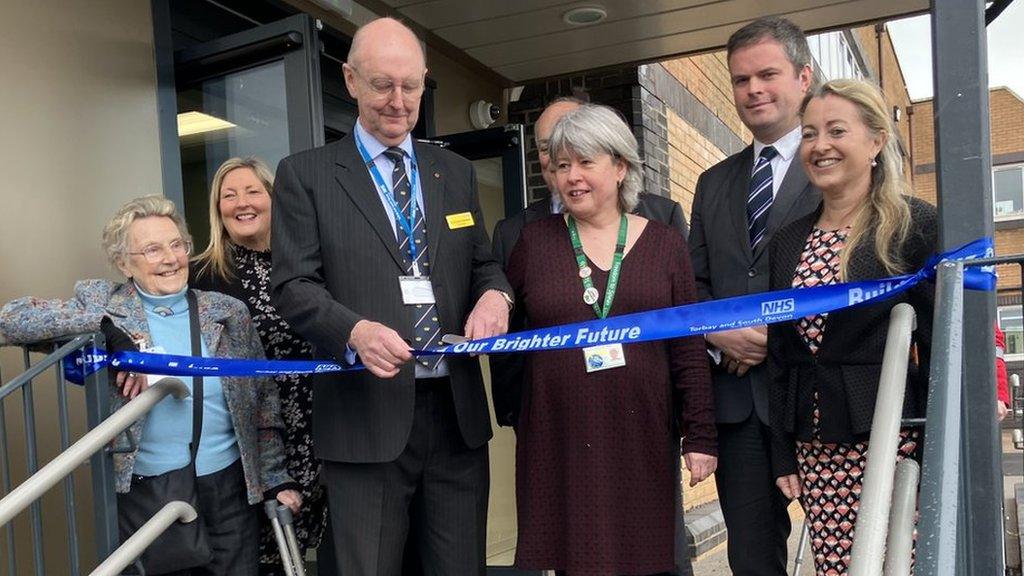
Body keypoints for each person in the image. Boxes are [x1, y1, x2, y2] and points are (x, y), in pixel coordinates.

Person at [269, 17, 513, 576]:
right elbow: (292, 286)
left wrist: (495, 298)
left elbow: (484, 263)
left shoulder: (453, 171)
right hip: (365, 418)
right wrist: (353, 331)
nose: (399, 102)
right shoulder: (305, 175)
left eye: (411, 86)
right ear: (350, 80)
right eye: (383, 85)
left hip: (456, 418)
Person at [0, 195, 300, 576]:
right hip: (149, 489)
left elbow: (262, 401)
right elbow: (11, 319)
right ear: (124, 261)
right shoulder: (104, 302)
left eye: (177, 245)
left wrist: (275, 478)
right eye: (153, 249)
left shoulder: (226, 311)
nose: (170, 258)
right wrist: (105, 329)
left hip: (229, 484)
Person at [501, 103, 717, 575]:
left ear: (620, 167)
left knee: (644, 557)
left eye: (585, 162)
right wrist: (492, 299)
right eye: (561, 166)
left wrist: (700, 435)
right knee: (575, 559)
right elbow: (502, 306)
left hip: (641, 434)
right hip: (558, 434)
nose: (571, 177)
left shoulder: (664, 245)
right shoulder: (533, 243)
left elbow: (688, 347)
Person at [768, 79, 937, 575]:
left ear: (877, 140)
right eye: (809, 133)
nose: (820, 146)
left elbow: (938, 343)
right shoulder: (786, 241)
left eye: (836, 130)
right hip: (816, 446)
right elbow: (781, 355)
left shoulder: (913, 224)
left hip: (894, 438)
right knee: (839, 567)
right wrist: (783, 453)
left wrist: (933, 446)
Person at [687, 16, 818, 575]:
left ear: (804, 77)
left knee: (849, 547)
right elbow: (692, 284)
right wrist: (719, 333)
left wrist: (775, 337)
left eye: (768, 74)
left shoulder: (837, 163)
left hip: (817, 399)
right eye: (741, 80)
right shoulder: (713, 182)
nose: (753, 90)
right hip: (738, 410)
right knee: (753, 560)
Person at [190, 157, 329, 575]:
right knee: (263, 554)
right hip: (251, 436)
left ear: (274, 198)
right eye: (228, 196)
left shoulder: (314, 265)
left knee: (324, 543)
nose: (241, 203)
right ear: (218, 210)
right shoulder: (201, 276)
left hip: (323, 424)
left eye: (253, 191)